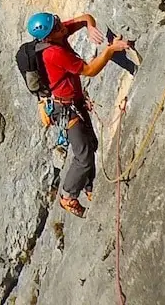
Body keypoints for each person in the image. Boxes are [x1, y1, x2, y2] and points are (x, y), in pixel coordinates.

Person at [26, 12, 130, 218]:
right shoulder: (53, 53)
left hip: (74, 103)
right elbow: (90, 70)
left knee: (91, 145)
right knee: (83, 156)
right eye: (56, 27)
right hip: (65, 108)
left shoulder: (56, 33)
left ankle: (88, 187)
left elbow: (84, 18)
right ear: (47, 37)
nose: (61, 27)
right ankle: (68, 196)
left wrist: (90, 27)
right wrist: (110, 50)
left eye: (57, 23)